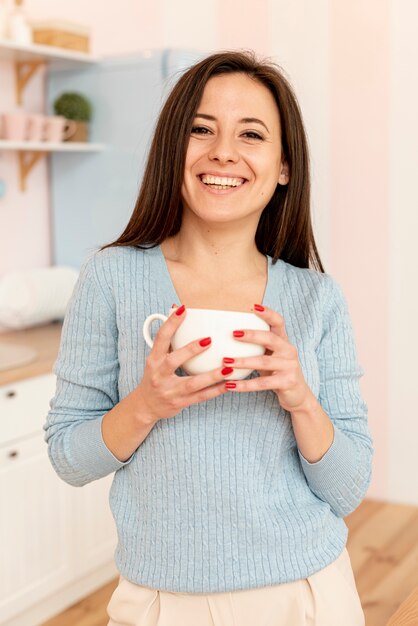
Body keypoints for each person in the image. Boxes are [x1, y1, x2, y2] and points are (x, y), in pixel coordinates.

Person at [44, 50, 373, 626]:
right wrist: (146, 404)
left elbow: (347, 489)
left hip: (307, 592)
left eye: (251, 134)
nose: (223, 151)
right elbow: (69, 458)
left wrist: (299, 399)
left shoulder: (317, 298)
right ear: (175, 149)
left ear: (284, 166)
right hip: (163, 601)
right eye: (201, 129)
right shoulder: (112, 277)